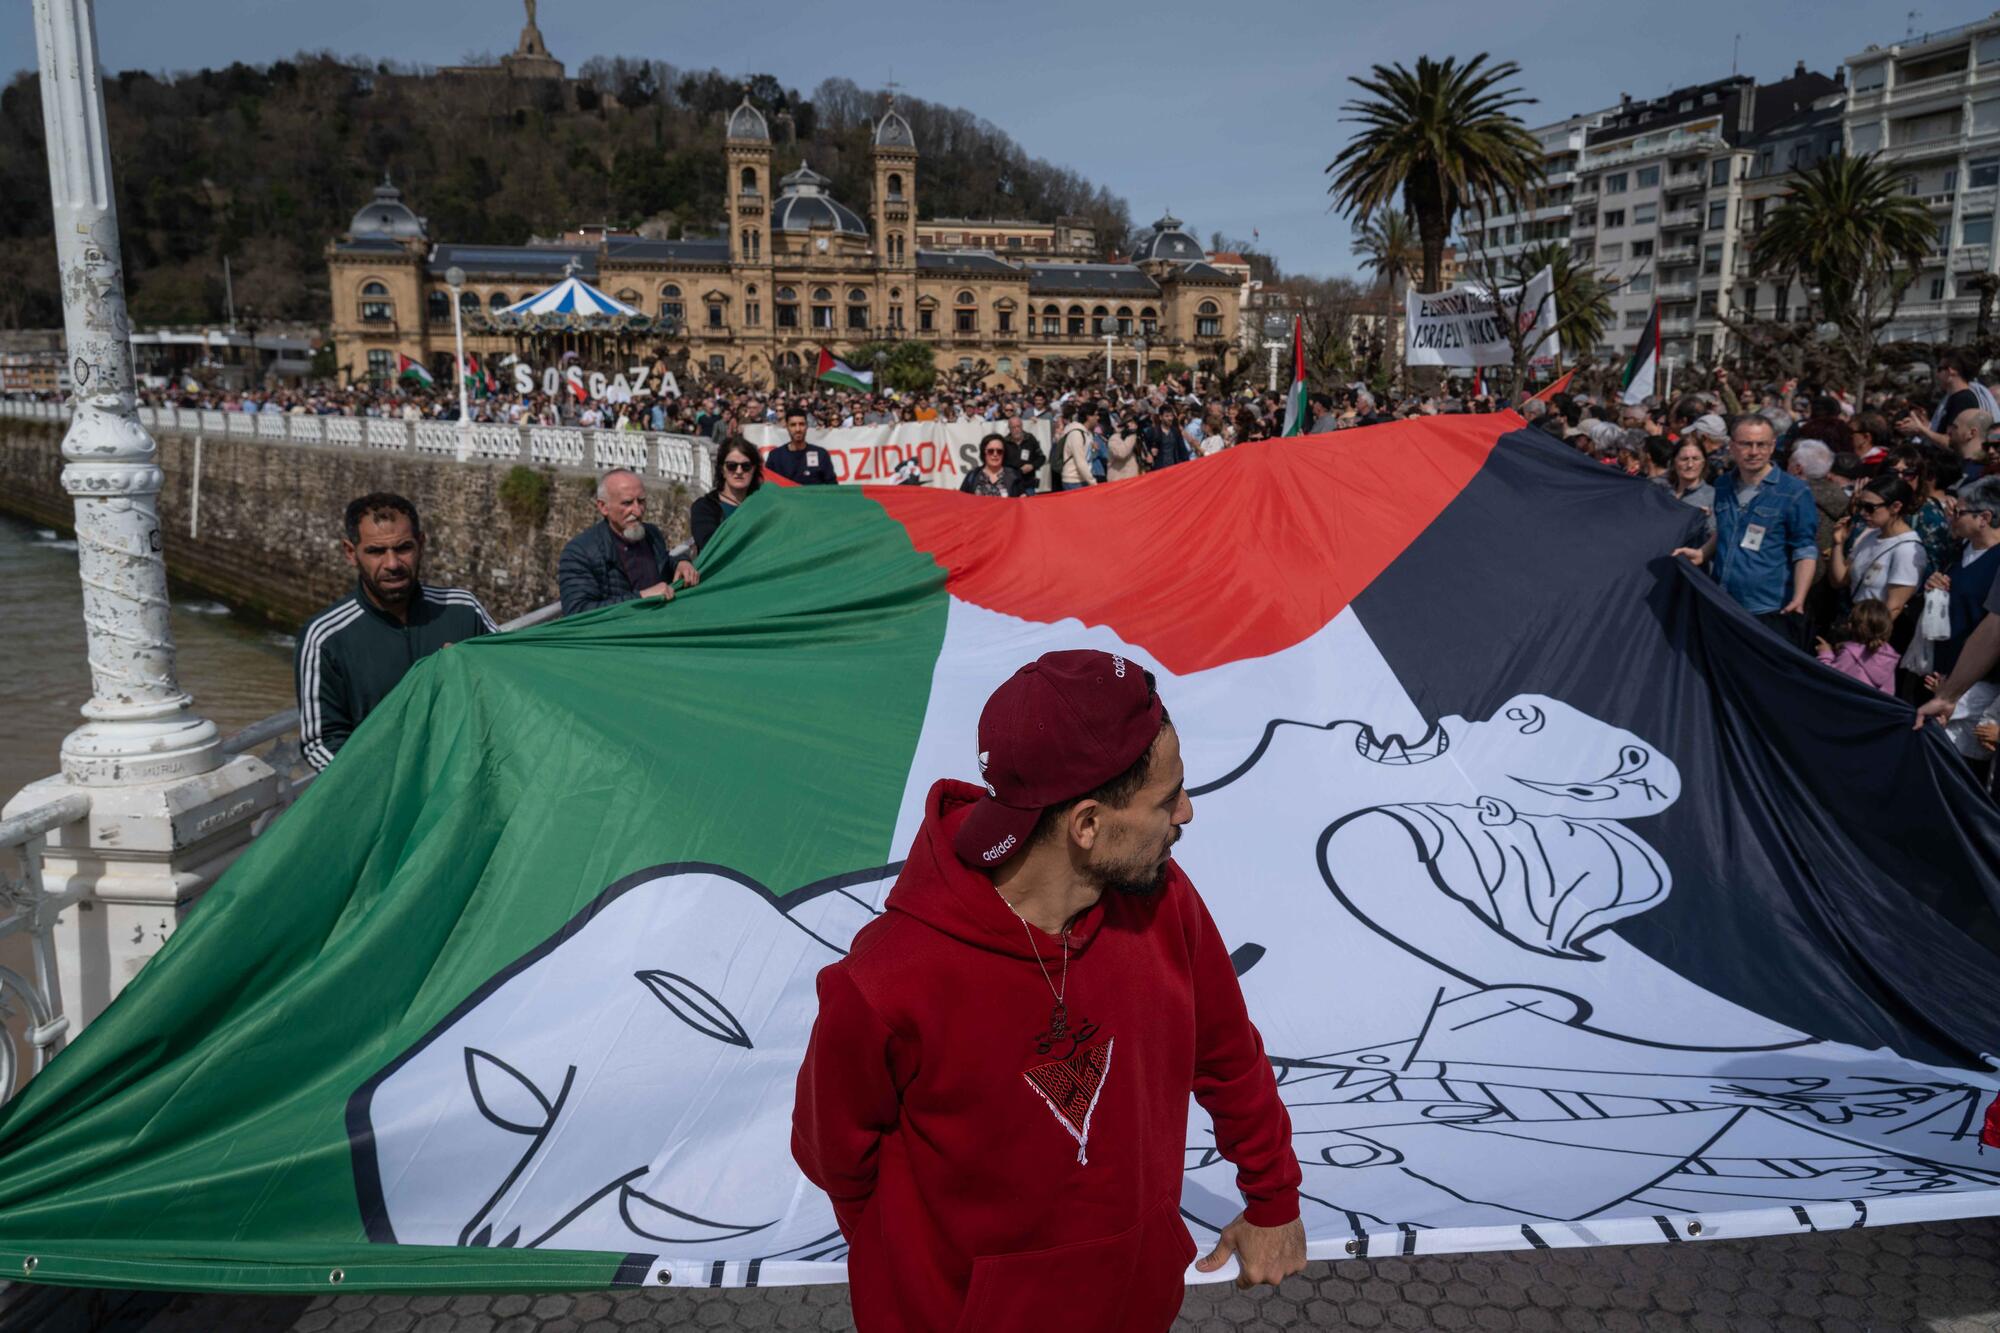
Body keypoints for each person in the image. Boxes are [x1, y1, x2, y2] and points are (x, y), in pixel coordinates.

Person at [791, 650, 1305, 1332]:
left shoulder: (1165, 902)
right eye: (1166, 796)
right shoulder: (887, 980)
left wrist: (1273, 1200)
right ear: (1086, 825)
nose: (1186, 812)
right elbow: (836, 1158)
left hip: (1132, 1310)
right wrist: (934, 1276)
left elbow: (1228, 1055)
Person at [297, 493, 496, 771]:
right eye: (376, 551)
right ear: (350, 553)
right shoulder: (324, 637)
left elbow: (507, 683)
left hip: (465, 784)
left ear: (422, 544)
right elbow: (320, 743)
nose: (392, 564)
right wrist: (387, 789)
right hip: (387, 800)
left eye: (403, 548)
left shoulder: (463, 609)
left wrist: (468, 670)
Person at [1673, 416, 1819, 646]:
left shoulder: (1795, 492)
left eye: (1761, 444)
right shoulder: (1722, 485)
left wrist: (1799, 597)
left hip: (1768, 609)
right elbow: (1728, 529)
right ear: (1732, 446)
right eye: (1746, 444)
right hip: (1723, 602)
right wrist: (1703, 553)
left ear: (1772, 446)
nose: (1753, 451)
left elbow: (1805, 549)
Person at [558, 468, 700, 616]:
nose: (638, 511)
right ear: (603, 507)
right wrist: (641, 598)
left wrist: (681, 562)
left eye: (641, 501)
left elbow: (664, 561)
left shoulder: (651, 534)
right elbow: (578, 611)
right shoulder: (580, 552)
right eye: (627, 503)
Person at [1828, 476, 1925, 622]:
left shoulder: (1908, 549)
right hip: (1850, 620)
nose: (1862, 513)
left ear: (1896, 507)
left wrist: (1864, 640)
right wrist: (1838, 544)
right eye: (1860, 505)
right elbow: (1839, 581)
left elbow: (1893, 608)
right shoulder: (1870, 535)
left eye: (1869, 508)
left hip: (1870, 631)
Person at [1931, 475, 2000, 678]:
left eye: (1959, 513)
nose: (1952, 518)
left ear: (1984, 519)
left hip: (1975, 681)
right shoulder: (1960, 549)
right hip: (1941, 669)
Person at [1899, 349, 1998, 446]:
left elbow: (1952, 442)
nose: (1937, 375)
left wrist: (1921, 429)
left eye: (1940, 369)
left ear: (1951, 371)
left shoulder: (1964, 399)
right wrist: (1925, 426)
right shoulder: (1951, 398)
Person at [690, 437, 763, 554]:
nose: (739, 471)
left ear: (754, 469)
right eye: (732, 466)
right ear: (722, 470)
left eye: (746, 466)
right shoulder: (704, 507)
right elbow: (709, 543)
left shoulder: (763, 503)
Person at [1816, 599, 1900, 695]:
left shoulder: (1850, 654)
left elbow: (1831, 678)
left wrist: (1825, 655)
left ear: (1850, 625)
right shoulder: (1889, 656)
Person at [765, 404, 838, 485]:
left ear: (807, 426)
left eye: (801, 424)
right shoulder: (775, 456)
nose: (798, 429)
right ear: (787, 426)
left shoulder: (821, 454)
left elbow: (832, 487)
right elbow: (768, 488)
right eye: (793, 425)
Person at [960, 433, 1030, 497]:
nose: (995, 454)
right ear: (984, 453)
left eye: (999, 451)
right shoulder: (973, 476)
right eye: (991, 451)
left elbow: (1023, 502)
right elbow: (961, 500)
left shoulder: (1014, 476)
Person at [999, 415, 1046, 491]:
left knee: (1029, 503)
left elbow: (1042, 457)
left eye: (1018, 426)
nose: (1016, 429)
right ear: (1009, 429)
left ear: (1022, 426)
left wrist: (1032, 466)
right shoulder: (1004, 442)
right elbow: (1001, 464)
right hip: (1011, 484)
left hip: (1028, 484)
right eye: (1013, 427)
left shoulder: (1030, 438)